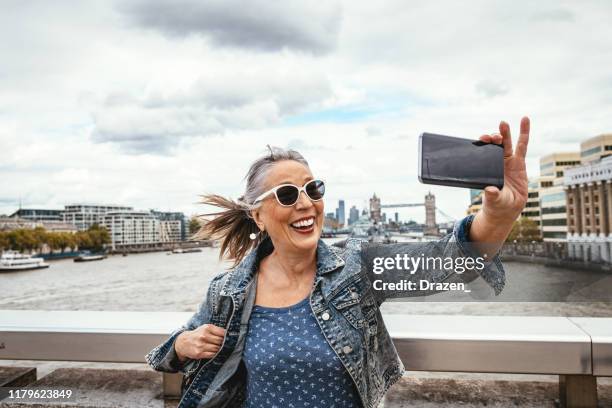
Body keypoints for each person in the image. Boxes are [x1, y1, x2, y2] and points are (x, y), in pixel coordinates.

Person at [146, 117, 531, 408]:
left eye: (313, 189)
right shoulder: (228, 292)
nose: (305, 203)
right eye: (286, 194)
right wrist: (182, 344)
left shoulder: (356, 268)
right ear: (258, 217)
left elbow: (450, 264)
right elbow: (166, 355)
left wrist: (497, 217)